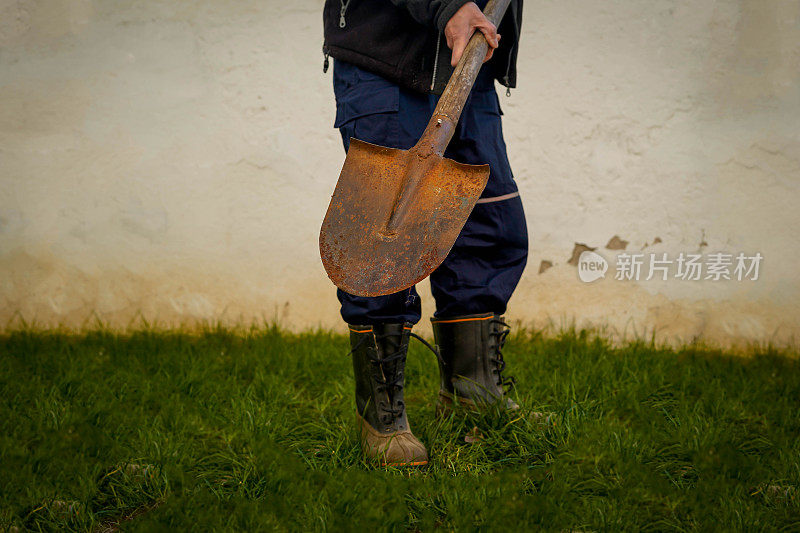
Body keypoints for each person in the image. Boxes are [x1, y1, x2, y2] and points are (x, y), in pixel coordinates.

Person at [322, 0, 527, 467]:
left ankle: (472, 394)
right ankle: (383, 417)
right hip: (389, 53)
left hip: (469, 56)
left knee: (490, 224)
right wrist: (447, 6)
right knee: (384, 237)